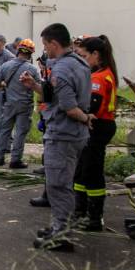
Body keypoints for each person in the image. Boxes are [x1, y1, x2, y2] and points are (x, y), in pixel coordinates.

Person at [20, 23, 91, 251]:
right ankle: (59, 226)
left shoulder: (62, 69)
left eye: (45, 45)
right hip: (73, 134)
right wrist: (35, 86)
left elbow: (69, 107)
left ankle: (61, 234)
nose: (45, 50)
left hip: (63, 134)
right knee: (63, 182)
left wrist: (86, 118)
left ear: (54, 43)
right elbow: (57, 96)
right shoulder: (80, 63)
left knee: (59, 185)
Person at [72, 35, 118, 231]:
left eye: (84, 56)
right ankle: (80, 211)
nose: (82, 60)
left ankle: (94, 217)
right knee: (82, 169)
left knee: (92, 170)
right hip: (97, 126)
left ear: (95, 54)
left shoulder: (99, 77)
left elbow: (93, 106)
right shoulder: (102, 73)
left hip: (98, 126)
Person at [0, 39, 40, 168]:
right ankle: (15, 160)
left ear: (18, 50)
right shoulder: (32, 69)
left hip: (9, 104)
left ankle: (0, 157)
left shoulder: (6, 66)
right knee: (20, 133)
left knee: (5, 130)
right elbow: (40, 87)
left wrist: (4, 84)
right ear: (31, 54)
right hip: (25, 105)